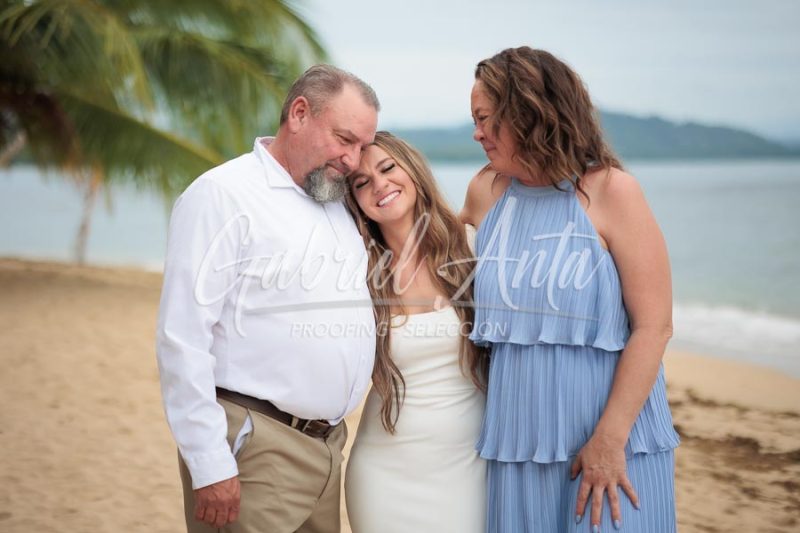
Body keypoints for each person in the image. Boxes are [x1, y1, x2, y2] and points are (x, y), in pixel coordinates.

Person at [461, 47, 680, 532]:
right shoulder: (486, 193)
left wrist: (610, 438)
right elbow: (429, 258)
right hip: (517, 448)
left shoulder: (612, 191)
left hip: (614, 444)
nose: (476, 133)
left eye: (484, 119)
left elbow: (654, 326)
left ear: (528, 113)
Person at [156, 64, 380, 533]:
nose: (354, 159)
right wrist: (209, 462)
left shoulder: (334, 202)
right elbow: (182, 338)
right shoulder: (223, 195)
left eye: (362, 146)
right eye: (345, 139)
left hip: (326, 451)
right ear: (299, 113)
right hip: (256, 448)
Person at [343, 131, 489, 532]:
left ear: (413, 169)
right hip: (384, 471)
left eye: (388, 168)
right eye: (361, 183)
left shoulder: (472, 249)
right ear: (354, 201)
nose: (380, 185)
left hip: (468, 465)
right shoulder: (357, 272)